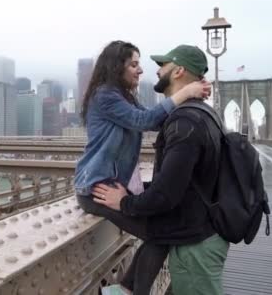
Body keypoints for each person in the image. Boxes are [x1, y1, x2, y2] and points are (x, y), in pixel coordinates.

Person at [74, 40, 211, 295]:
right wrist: (186, 92)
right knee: (160, 232)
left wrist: (193, 108)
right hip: (97, 188)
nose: (140, 70)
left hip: (113, 185)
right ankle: (128, 291)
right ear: (117, 67)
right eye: (134, 64)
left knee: (161, 230)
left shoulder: (124, 97)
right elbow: (143, 120)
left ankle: (124, 290)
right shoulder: (104, 95)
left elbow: (156, 122)